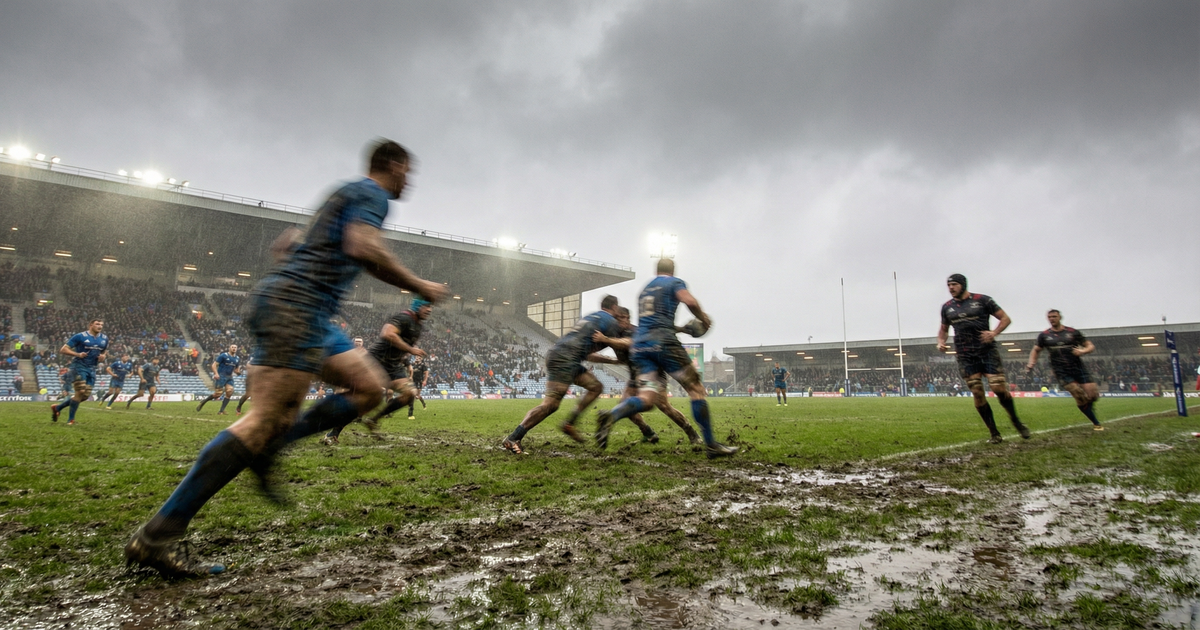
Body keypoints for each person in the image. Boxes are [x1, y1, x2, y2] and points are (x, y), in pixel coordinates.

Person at [124, 139, 446, 578]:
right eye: (409, 170)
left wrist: (295, 251)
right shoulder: (371, 194)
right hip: (296, 307)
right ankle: (157, 536)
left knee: (369, 387)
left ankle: (275, 445)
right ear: (393, 164)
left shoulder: (347, 194)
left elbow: (303, 244)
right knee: (263, 423)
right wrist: (419, 285)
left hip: (310, 313)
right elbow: (364, 248)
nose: (410, 179)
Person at [595, 258, 738, 458]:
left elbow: (652, 321)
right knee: (695, 389)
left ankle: (613, 415)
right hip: (664, 344)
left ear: (657, 270)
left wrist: (681, 328)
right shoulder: (673, 283)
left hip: (641, 348)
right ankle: (711, 445)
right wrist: (703, 318)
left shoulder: (644, 290)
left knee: (647, 398)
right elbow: (689, 301)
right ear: (672, 270)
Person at [501, 295, 624, 454]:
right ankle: (513, 438)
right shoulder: (610, 321)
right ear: (614, 307)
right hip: (565, 359)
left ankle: (569, 423)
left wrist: (613, 362)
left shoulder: (591, 318)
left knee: (595, 387)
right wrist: (625, 357)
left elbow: (588, 355)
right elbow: (620, 349)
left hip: (562, 356)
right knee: (550, 405)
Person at [322, 298, 433, 445]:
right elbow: (387, 334)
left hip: (393, 366)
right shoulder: (403, 317)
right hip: (376, 361)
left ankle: (373, 420)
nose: (430, 309)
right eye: (426, 306)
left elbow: (400, 347)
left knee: (409, 394)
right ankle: (333, 432)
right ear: (418, 306)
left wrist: (404, 354)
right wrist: (410, 349)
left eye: (431, 307)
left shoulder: (418, 327)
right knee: (363, 401)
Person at [936, 274, 1030, 444]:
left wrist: (994, 333)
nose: (951, 288)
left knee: (998, 388)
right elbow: (943, 329)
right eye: (949, 285)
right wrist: (941, 342)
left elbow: (1005, 318)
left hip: (986, 351)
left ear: (963, 285)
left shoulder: (982, 300)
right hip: (965, 355)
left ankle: (1015, 420)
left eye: (954, 284)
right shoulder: (947, 307)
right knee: (977, 393)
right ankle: (994, 433)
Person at [609, 306, 701, 445]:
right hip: (635, 374)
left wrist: (682, 329)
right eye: (618, 318)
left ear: (628, 318)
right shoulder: (612, 334)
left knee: (663, 406)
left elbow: (659, 330)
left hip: (653, 371)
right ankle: (648, 433)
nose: (622, 321)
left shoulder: (636, 331)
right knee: (624, 407)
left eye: (624, 318)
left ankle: (691, 433)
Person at [1027, 310, 1102, 430]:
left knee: (1093, 395)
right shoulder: (1044, 335)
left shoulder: (1072, 332)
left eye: (1054, 316)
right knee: (1078, 394)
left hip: (1078, 367)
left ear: (1060, 317)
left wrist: (1082, 351)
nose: (1052, 319)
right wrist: (1031, 362)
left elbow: (1090, 346)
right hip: (1060, 370)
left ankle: (1088, 407)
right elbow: (1036, 350)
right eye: (1050, 317)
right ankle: (1096, 422)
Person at [50, 319, 108, 425]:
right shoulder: (80, 336)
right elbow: (63, 349)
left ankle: (58, 407)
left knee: (84, 396)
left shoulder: (104, 338)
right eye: (97, 324)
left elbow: (104, 351)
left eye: (101, 324)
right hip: (78, 367)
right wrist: (78, 354)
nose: (100, 326)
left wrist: (103, 356)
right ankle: (70, 419)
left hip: (92, 369)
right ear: (90, 325)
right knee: (80, 392)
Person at [196, 344, 241, 415]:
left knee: (230, 391)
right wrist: (216, 373)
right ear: (229, 348)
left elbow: (236, 369)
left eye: (235, 347)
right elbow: (214, 365)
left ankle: (221, 411)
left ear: (237, 349)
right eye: (232, 347)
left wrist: (238, 372)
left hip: (229, 377)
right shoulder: (223, 355)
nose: (234, 348)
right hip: (221, 376)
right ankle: (203, 402)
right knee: (218, 394)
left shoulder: (237, 358)